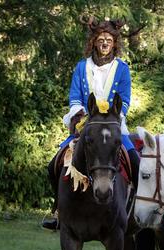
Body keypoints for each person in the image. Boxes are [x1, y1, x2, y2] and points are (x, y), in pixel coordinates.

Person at [42, 17, 140, 229]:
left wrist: (115, 116)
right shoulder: (81, 67)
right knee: (53, 166)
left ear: (114, 43)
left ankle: (133, 213)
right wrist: (81, 115)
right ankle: (59, 211)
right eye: (100, 39)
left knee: (136, 162)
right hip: (87, 125)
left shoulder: (122, 69)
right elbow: (75, 96)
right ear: (94, 42)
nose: (104, 43)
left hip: (114, 124)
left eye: (109, 40)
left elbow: (124, 98)